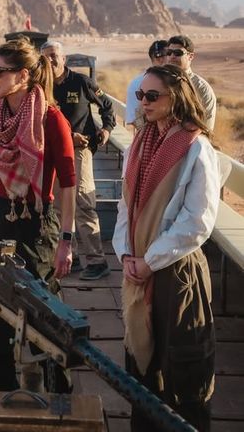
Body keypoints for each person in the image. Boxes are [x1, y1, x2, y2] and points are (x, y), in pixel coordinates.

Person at [113, 64, 218, 431]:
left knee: (184, 369)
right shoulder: (140, 144)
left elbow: (197, 221)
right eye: (141, 95)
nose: (143, 103)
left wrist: (149, 260)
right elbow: (126, 206)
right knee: (142, 371)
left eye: (152, 96)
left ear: (178, 99)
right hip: (139, 268)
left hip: (176, 273)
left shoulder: (196, 148)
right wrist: (126, 255)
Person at [0, 38, 76, 392]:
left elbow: (69, 183)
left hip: (36, 221)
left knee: (43, 305)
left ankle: (56, 387)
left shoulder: (50, 118)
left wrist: (66, 240)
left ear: (25, 75)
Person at [41, 40, 115, 280]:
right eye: (45, 57)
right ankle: (70, 258)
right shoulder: (42, 87)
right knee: (59, 205)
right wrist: (65, 136)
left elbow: (107, 106)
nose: (50, 61)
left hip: (80, 151)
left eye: (54, 56)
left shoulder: (81, 82)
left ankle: (97, 261)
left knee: (83, 203)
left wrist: (106, 130)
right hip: (54, 152)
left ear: (64, 59)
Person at [164, 35, 217, 131]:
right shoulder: (159, 80)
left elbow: (206, 127)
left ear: (190, 56)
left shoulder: (201, 88)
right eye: (169, 52)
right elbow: (141, 113)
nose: (172, 57)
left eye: (178, 53)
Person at [125, 40, 168, 130]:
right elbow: (134, 119)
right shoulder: (137, 84)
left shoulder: (179, 81)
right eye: (169, 54)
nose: (173, 57)